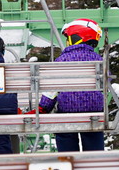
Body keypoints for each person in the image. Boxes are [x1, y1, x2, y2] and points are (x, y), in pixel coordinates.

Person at [39, 18, 106, 152]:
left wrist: (44, 107)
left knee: (64, 133)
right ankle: (95, 160)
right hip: (93, 111)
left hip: (67, 112)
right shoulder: (98, 60)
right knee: (93, 134)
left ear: (76, 37)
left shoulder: (61, 61)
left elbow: (52, 89)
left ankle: (68, 162)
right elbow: (106, 82)